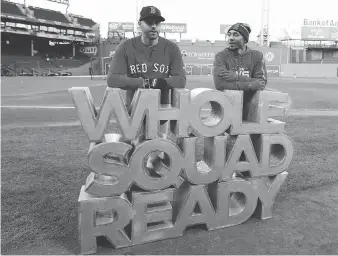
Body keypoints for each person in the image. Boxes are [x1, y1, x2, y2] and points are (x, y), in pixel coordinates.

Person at [107, 5, 186, 109]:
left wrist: (161, 82)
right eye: (149, 22)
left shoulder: (172, 48)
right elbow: (112, 79)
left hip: (161, 110)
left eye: (157, 22)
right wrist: (143, 83)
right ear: (140, 24)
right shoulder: (125, 47)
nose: (153, 26)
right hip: (134, 110)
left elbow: (181, 80)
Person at [213, 23, 267, 91]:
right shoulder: (221, 56)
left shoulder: (257, 56)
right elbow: (220, 85)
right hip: (227, 100)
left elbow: (261, 84)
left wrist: (236, 77)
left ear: (245, 39)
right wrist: (250, 85)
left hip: (250, 101)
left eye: (236, 35)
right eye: (229, 34)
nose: (231, 38)